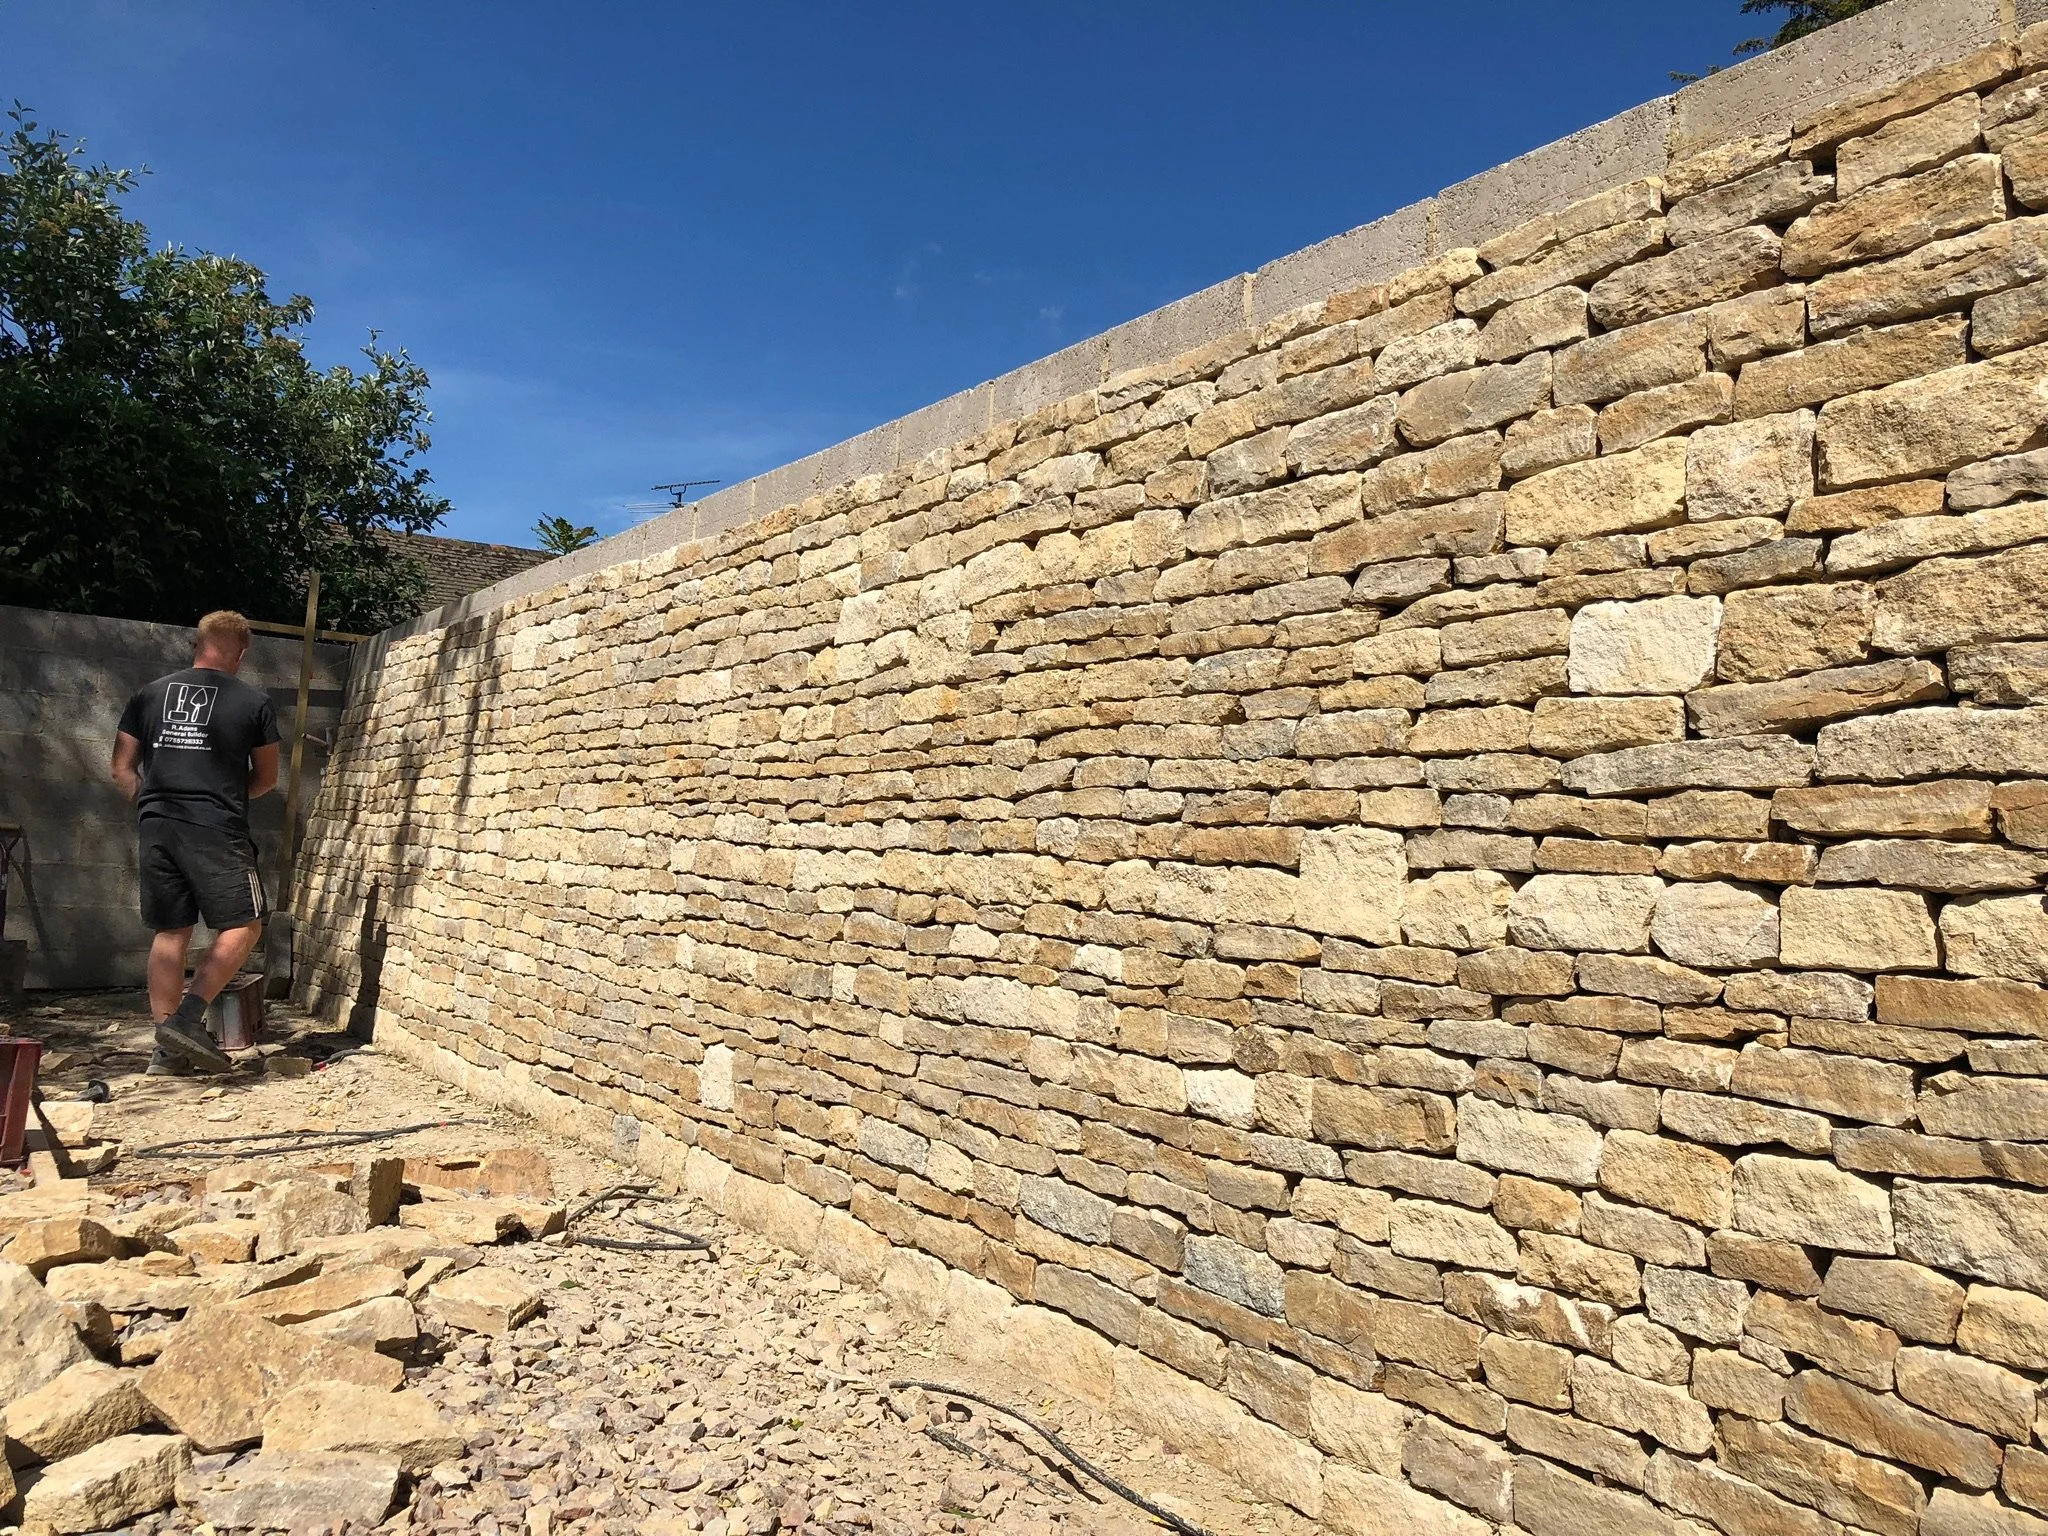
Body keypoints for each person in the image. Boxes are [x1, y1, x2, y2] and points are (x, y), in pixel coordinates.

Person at [111, 610, 281, 1074]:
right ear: (243, 652)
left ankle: (166, 1055)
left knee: (172, 932)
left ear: (196, 644)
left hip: (157, 826)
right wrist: (222, 796)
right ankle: (186, 1019)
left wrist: (149, 805)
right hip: (216, 828)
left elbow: (122, 767)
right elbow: (267, 778)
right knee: (246, 924)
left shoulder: (149, 695)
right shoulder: (253, 702)